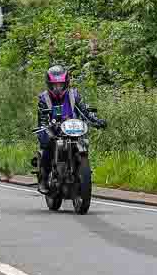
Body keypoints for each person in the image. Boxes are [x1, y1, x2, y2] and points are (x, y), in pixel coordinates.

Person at [37, 64, 107, 193]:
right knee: (48, 145)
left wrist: (97, 121)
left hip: (72, 127)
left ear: (66, 83)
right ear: (49, 84)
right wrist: (46, 127)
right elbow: (42, 119)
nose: (58, 88)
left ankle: (80, 168)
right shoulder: (44, 98)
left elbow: (85, 111)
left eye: (61, 85)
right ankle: (44, 179)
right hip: (52, 128)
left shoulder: (74, 95)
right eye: (54, 85)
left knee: (83, 141)